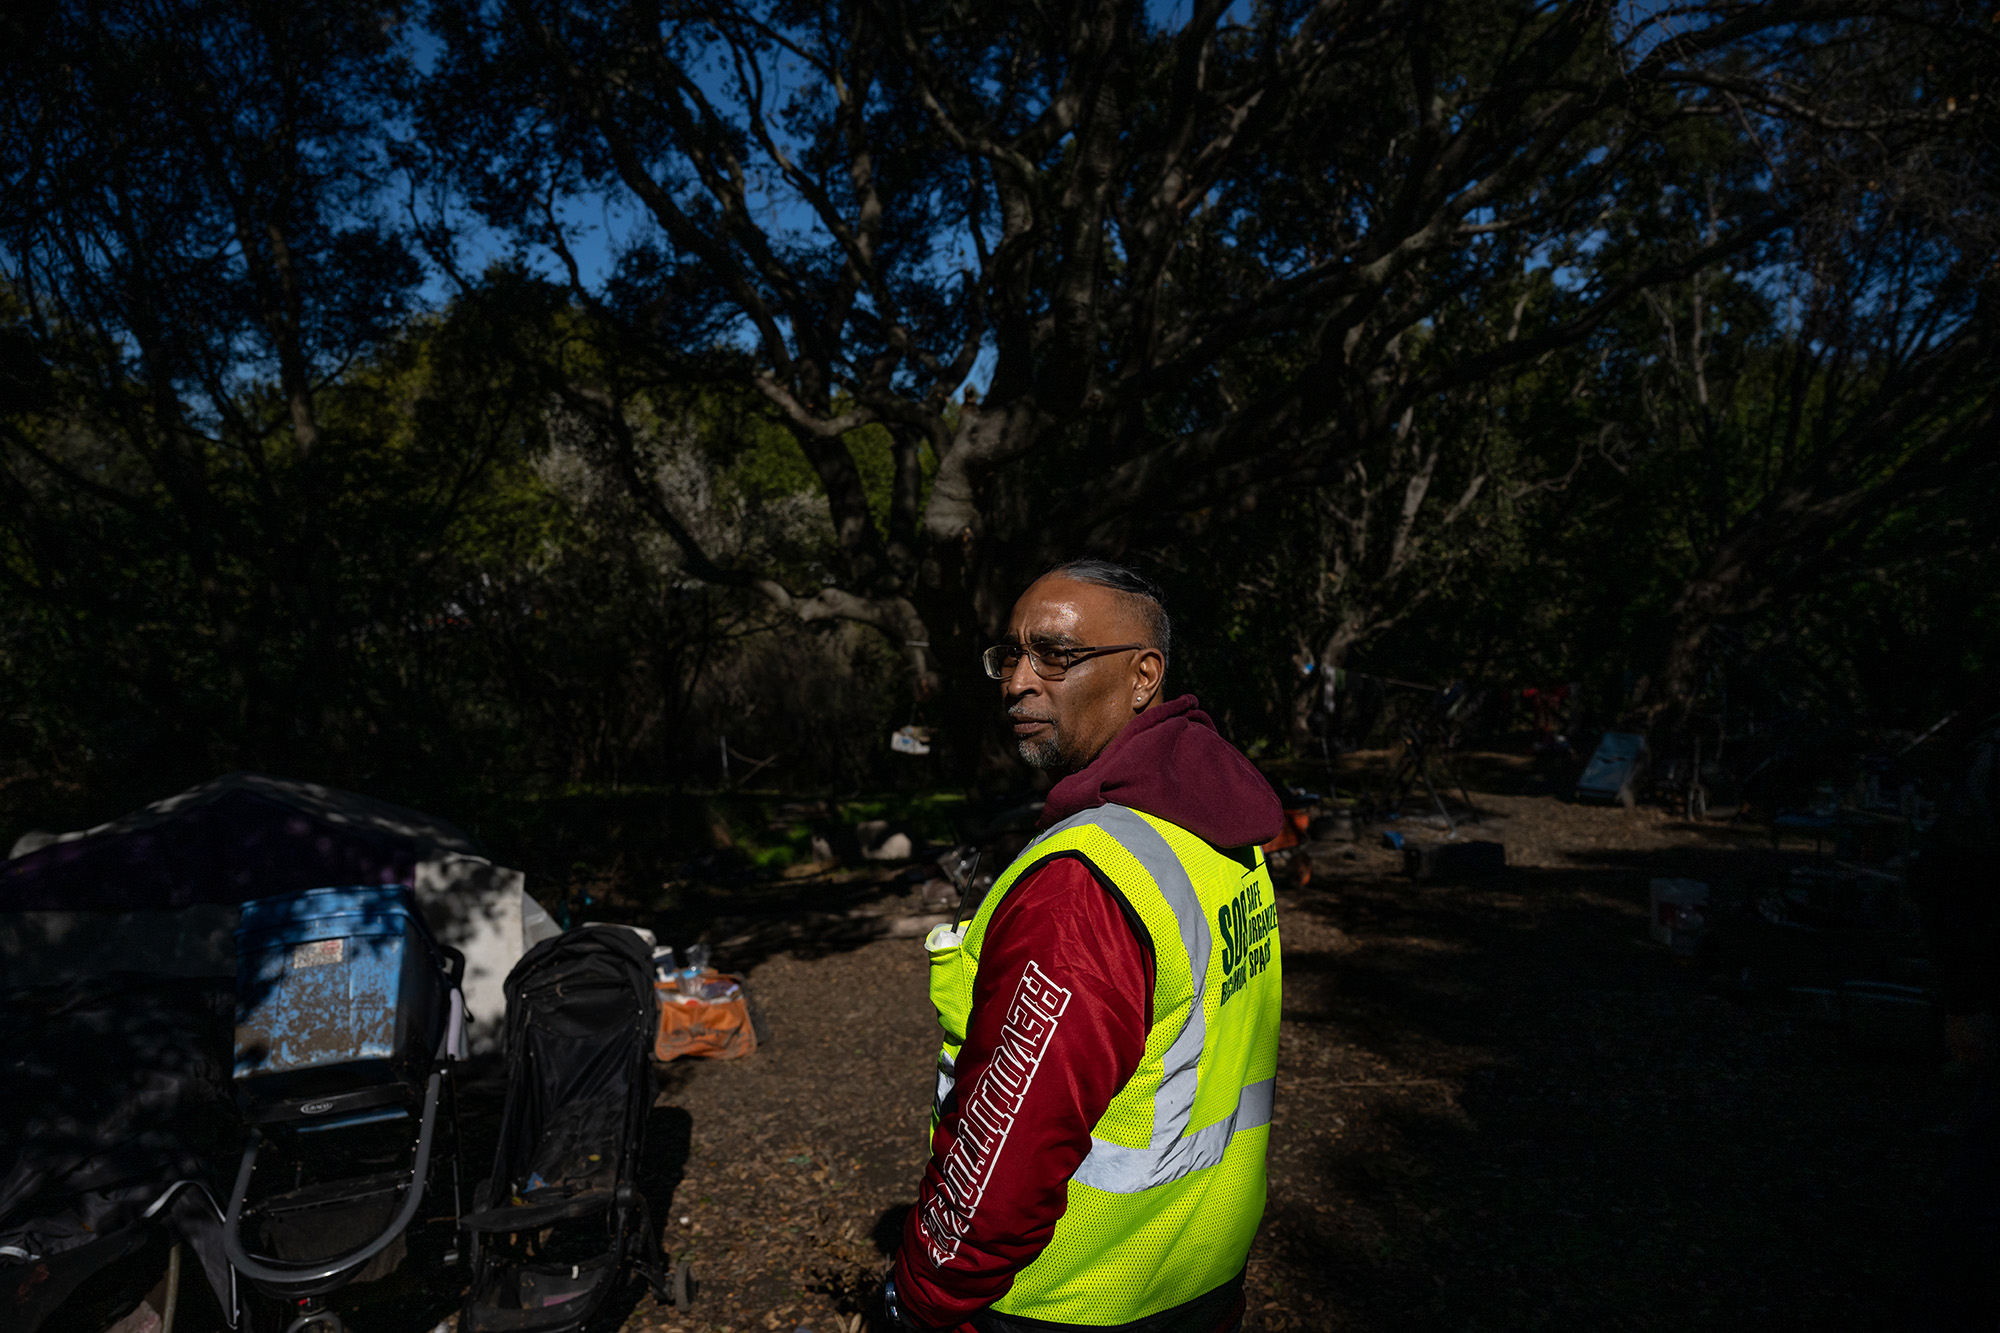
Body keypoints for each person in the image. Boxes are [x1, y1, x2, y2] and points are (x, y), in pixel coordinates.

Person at [887, 561, 1285, 1333]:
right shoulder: (1227, 834)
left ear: (1144, 676)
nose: (1017, 681)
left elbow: (1008, 1144)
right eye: (1011, 655)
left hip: (1061, 1302)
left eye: (1057, 655)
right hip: (1194, 1277)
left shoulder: (1085, 883)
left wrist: (926, 1291)